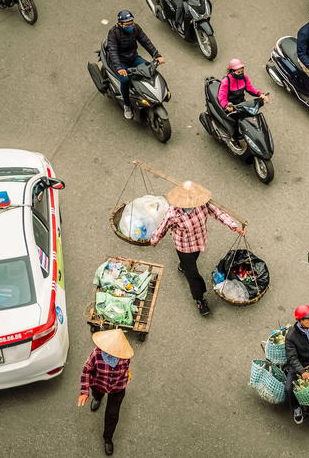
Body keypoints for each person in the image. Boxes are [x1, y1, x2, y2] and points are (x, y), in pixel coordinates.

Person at [150, 181, 245, 316]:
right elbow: (162, 228)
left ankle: (183, 267)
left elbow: (218, 213)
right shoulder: (173, 214)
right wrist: (154, 240)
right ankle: (199, 299)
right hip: (184, 247)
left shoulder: (202, 203)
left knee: (190, 264)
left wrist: (234, 226)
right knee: (193, 275)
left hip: (199, 241)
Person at [77, 329, 134, 456]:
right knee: (97, 394)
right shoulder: (96, 354)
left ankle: (108, 438)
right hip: (99, 384)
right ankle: (97, 398)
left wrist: (126, 377)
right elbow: (86, 371)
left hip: (117, 388)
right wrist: (84, 392)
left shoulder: (125, 357)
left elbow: (126, 369)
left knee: (112, 415)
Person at [106, 10, 164, 119]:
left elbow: (145, 41)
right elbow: (112, 51)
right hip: (121, 61)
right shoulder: (114, 33)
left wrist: (156, 55)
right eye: (127, 24)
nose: (130, 26)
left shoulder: (135, 28)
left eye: (131, 23)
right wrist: (119, 68)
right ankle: (127, 105)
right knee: (125, 80)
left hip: (133, 57)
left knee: (150, 70)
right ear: (120, 24)